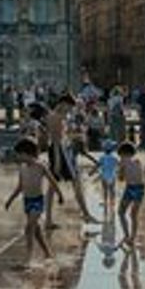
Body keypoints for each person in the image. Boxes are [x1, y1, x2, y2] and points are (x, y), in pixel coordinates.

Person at [3, 138, 62, 264]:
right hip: (27, 201)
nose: (17, 157)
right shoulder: (22, 168)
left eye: (19, 154)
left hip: (37, 201)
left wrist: (60, 194)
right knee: (36, 230)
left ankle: (28, 257)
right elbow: (20, 187)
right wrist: (10, 200)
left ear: (26, 153)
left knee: (29, 227)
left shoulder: (40, 166)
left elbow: (52, 181)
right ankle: (47, 253)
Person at [45, 95, 95, 223]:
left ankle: (48, 219)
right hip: (59, 151)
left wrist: (74, 137)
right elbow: (55, 140)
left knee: (59, 184)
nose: (69, 110)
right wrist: (56, 161)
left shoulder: (60, 117)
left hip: (64, 150)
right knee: (66, 183)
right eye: (69, 107)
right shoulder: (54, 117)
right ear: (63, 103)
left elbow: (62, 136)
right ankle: (85, 214)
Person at [116, 142, 145, 246]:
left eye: (120, 155)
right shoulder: (138, 161)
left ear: (123, 153)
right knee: (134, 215)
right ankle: (132, 238)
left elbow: (120, 179)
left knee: (121, 212)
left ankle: (126, 235)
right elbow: (140, 175)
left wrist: (120, 170)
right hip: (140, 188)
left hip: (130, 189)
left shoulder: (123, 162)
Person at [97, 140, 120, 219]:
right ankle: (112, 203)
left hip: (104, 176)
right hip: (112, 176)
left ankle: (105, 202)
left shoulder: (102, 157)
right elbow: (119, 165)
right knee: (112, 190)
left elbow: (98, 165)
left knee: (105, 190)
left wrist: (91, 172)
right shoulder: (114, 157)